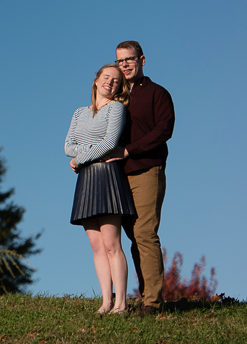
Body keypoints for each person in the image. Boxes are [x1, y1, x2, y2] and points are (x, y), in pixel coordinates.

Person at [103, 41, 175, 315]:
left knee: (145, 233)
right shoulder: (115, 96)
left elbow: (164, 130)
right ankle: (144, 295)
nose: (125, 65)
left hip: (147, 169)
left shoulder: (158, 93)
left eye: (130, 59)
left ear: (142, 60)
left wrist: (129, 150)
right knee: (132, 236)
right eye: (120, 61)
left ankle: (153, 303)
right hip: (118, 175)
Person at [65, 64, 136, 314]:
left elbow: (109, 143)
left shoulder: (116, 108)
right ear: (96, 81)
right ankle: (106, 302)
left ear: (119, 87)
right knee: (96, 246)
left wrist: (81, 158)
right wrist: (83, 156)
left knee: (111, 244)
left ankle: (121, 303)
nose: (110, 83)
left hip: (107, 177)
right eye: (106, 78)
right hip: (86, 179)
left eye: (116, 81)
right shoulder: (78, 113)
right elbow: (68, 146)